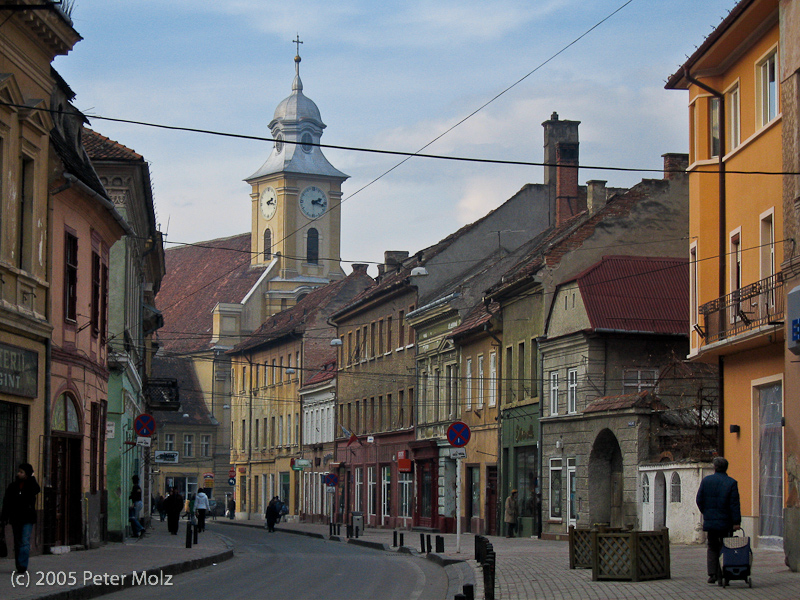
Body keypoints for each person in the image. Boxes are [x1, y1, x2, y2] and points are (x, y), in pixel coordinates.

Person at [696, 456, 741, 584]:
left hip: (711, 521)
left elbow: (699, 500)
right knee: (726, 546)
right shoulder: (731, 483)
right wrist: (736, 522)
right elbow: (734, 504)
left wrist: (706, 512)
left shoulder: (706, 481)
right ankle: (725, 572)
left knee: (712, 546)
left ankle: (713, 574)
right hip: (726, 522)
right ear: (726, 467)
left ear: (715, 467)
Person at [0, 463, 41, 573]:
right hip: (16, 518)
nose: (19, 473)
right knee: (18, 542)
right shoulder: (13, 486)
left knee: (25, 541)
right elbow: (6, 502)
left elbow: (37, 489)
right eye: (19, 471)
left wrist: (32, 477)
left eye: (21, 472)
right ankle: (19, 564)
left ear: (27, 474)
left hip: (27, 518)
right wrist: (4, 517)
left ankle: (23, 565)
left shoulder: (31, 485)